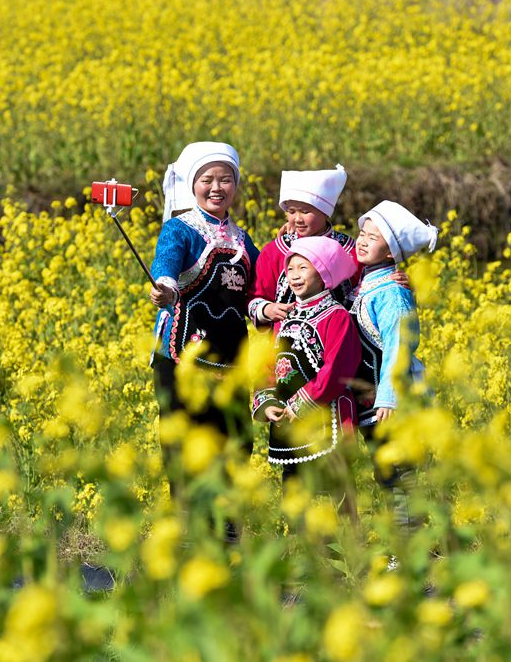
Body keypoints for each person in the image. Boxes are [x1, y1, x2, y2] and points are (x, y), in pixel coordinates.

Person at [149, 141, 261, 506]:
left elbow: (264, 283)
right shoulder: (180, 229)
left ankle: (227, 521)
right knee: (184, 439)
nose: (216, 188)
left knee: (233, 437)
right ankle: (187, 525)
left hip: (230, 356)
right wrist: (165, 286)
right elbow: (167, 260)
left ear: (236, 185)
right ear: (192, 185)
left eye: (225, 179)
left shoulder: (243, 240)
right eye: (207, 179)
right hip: (182, 352)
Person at [251, 236, 361, 517]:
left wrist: (300, 404)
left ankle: (350, 560)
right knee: (296, 498)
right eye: (290, 269)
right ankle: (305, 557)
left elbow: (338, 369)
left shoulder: (337, 317)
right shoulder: (285, 317)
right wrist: (266, 400)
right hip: (290, 425)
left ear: (323, 272)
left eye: (304, 267)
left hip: (326, 423)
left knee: (334, 501)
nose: (295, 275)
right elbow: (270, 364)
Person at [349, 201, 437, 528]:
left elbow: (399, 347)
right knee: (388, 472)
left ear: (391, 254)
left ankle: (414, 550)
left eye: (373, 238)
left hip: (392, 401)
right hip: (374, 401)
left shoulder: (392, 292)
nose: (362, 240)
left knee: (401, 473)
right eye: (362, 233)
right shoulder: (369, 283)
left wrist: (389, 396)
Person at [247, 165, 358, 333]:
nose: (297, 219)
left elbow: (368, 288)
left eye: (305, 211)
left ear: (325, 211)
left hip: (339, 344)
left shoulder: (349, 250)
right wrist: (267, 309)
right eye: (291, 211)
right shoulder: (275, 251)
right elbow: (255, 296)